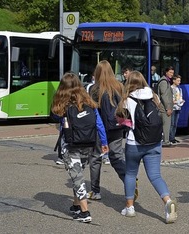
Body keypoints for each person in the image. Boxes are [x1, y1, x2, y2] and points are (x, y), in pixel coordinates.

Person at [116, 71, 178, 223]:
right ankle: (168, 201)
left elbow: (119, 119)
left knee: (130, 174)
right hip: (154, 142)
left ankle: (130, 208)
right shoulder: (153, 95)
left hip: (134, 143)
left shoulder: (126, 99)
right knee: (155, 176)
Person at [51, 72, 109, 223]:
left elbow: (54, 116)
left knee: (77, 178)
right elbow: (99, 124)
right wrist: (104, 142)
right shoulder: (89, 102)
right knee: (79, 174)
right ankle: (76, 205)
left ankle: (85, 211)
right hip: (88, 144)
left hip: (71, 145)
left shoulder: (62, 105)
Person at [87, 60, 130, 201]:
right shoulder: (119, 86)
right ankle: (129, 182)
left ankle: (95, 190)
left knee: (95, 158)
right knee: (116, 156)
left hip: (100, 129)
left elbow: (92, 110)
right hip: (117, 127)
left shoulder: (94, 89)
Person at [157, 66, 175, 147]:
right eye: (170, 72)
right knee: (166, 124)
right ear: (166, 72)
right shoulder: (164, 81)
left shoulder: (166, 81)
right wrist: (168, 107)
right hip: (164, 107)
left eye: (172, 73)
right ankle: (166, 141)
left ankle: (165, 140)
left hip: (165, 106)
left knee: (165, 124)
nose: (172, 74)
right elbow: (164, 95)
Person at [170, 74, 184, 144]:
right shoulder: (171, 88)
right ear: (174, 80)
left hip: (178, 107)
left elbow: (180, 97)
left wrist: (181, 101)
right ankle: (170, 138)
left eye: (180, 80)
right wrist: (177, 101)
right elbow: (171, 99)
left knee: (175, 123)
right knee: (172, 123)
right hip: (173, 108)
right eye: (178, 80)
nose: (179, 82)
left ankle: (173, 137)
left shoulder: (179, 89)